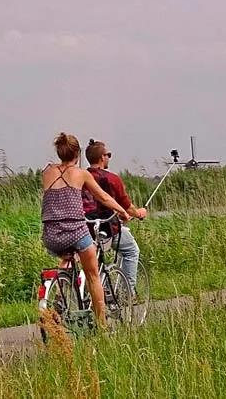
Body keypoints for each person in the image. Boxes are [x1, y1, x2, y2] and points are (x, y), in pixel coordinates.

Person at [41, 132, 130, 327]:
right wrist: (122, 212)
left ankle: (59, 292)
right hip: (75, 231)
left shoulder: (46, 172)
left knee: (66, 257)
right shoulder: (81, 174)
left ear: (59, 151)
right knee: (92, 275)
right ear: (78, 154)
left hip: (51, 235)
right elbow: (104, 198)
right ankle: (101, 326)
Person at [82, 139, 147, 290]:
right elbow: (127, 207)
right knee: (131, 251)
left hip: (85, 229)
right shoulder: (112, 179)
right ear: (101, 157)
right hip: (108, 228)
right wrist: (139, 213)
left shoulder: (80, 177)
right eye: (108, 155)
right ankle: (128, 293)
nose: (109, 158)